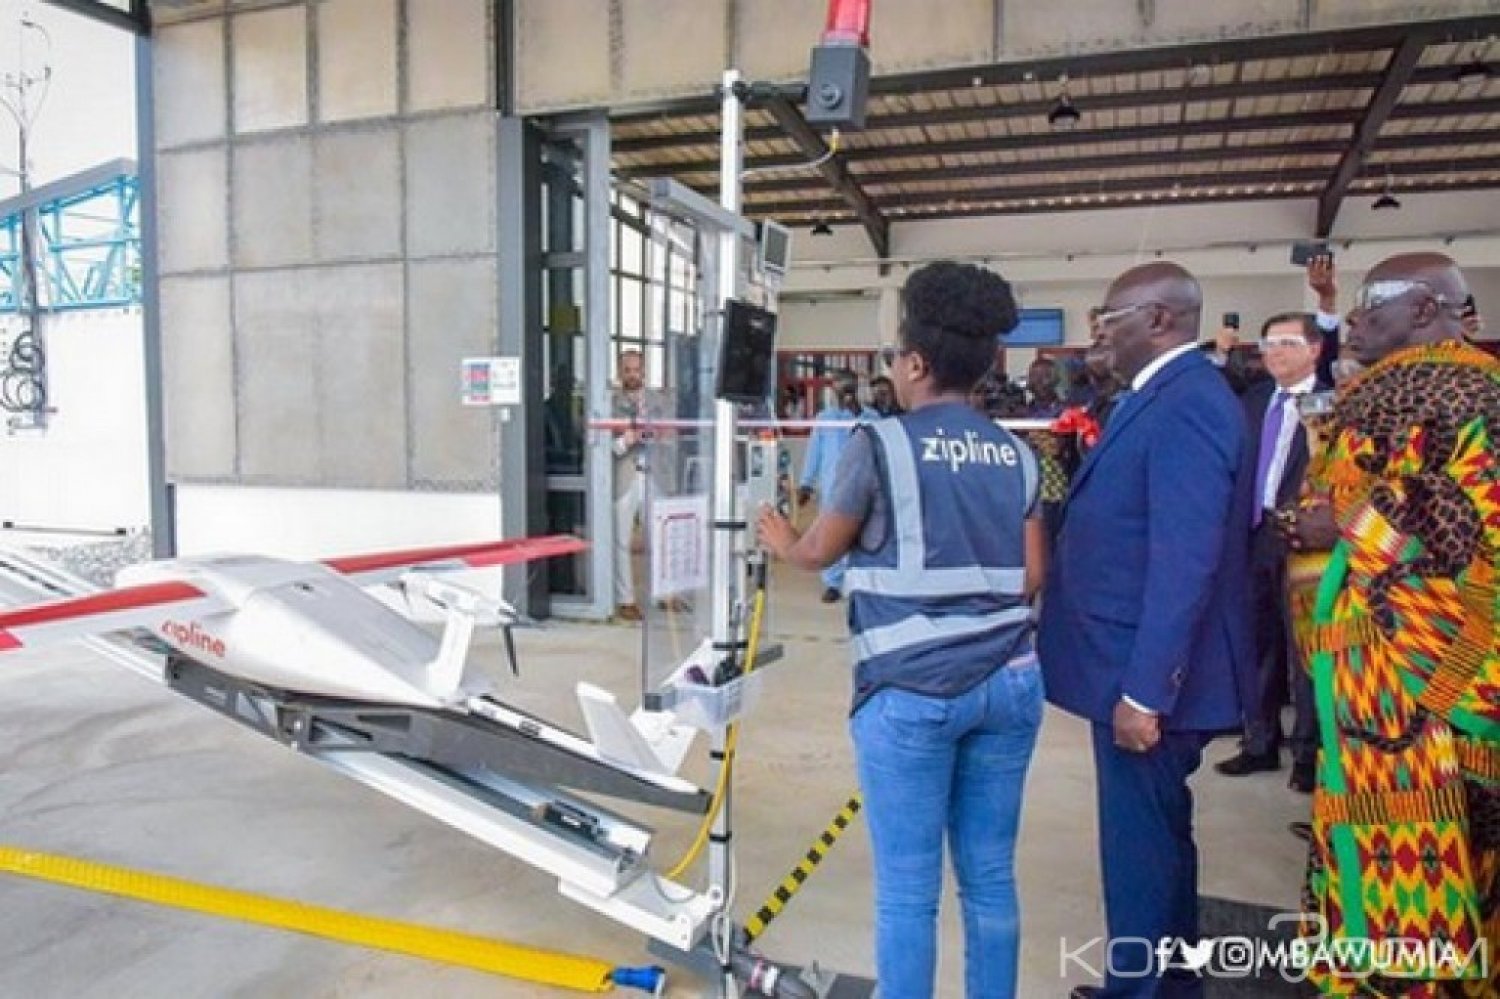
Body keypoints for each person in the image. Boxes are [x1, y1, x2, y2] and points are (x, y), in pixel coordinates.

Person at [758, 261, 1047, 999]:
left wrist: (781, 538)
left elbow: (820, 550)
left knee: (908, 891)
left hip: (911, 692)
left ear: (915, 364)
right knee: (990, 877)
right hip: (1011, 684)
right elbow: (1032, 575)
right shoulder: (1017, 453)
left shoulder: (879, 444)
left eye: (894, 356)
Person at [1284, 252, 1499, 996]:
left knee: (1444, 836)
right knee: (1362, 826)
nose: (1356, 316)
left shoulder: (1477, 393)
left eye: (1373, 300)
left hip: (1427, 673)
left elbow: (1470, 520)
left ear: (1426, 307)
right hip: (1361, 672)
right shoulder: (1374, 392)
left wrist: (1344, 521)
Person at [1040, 261, 1255, 999]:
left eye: (1109, 318)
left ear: (1159, 319)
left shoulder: (1187, 403)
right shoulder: (1158, 395)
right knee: (1158, 840)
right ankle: (1170, 987)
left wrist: (1146, 691)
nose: (1098, 333)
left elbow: (1184, 561)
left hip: (1146, 677)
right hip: (1128, 663)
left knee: (1138, 852)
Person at [1215, 313, 1330, 794]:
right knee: (1257, 639)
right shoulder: (1255, 400)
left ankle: (1308, 754)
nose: (1275, 352)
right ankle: (1260, 741)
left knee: (1305, 648)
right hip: (1256, 532)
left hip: (1309, 536)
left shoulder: (1332, 402)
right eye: (1268, 343)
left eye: (1287, 342)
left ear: (1315, 349)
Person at [797, 370, 871, 603]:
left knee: (864, 534)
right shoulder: (824, 418)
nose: (845, 393)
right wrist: (806, 483)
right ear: (833, 390)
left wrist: (857, 413)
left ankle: (859, 583)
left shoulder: (871, 418)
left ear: (856, 389)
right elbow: (814, 452)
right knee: (830, 534)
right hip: (831, 486)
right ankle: (833, 582)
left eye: (849, 388)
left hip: (864, 485)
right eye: (840, 389)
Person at [610, 349, 669, 622]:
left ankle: (662, 594)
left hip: (654, 474)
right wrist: (626, 441)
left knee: (658, 537)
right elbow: (601, 447)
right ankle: (626, 600)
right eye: (627, 371)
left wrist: (658, 435)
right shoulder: (610, 402)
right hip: (625, 475)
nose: (633, 375)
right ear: (620, 373)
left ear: (644, 371)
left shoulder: (658, 401)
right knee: (621, 540)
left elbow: (672, 435)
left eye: (637, 370)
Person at [1021, 357, 1075, 545]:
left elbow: (1066, 449)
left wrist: (1052, 443)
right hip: (1026, 487)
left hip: (1054, 489)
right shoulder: (1021, 412)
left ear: (1055, 380)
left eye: (1045, 376)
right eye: (1034, 377)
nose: (1039, 382)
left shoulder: (1066, 412)